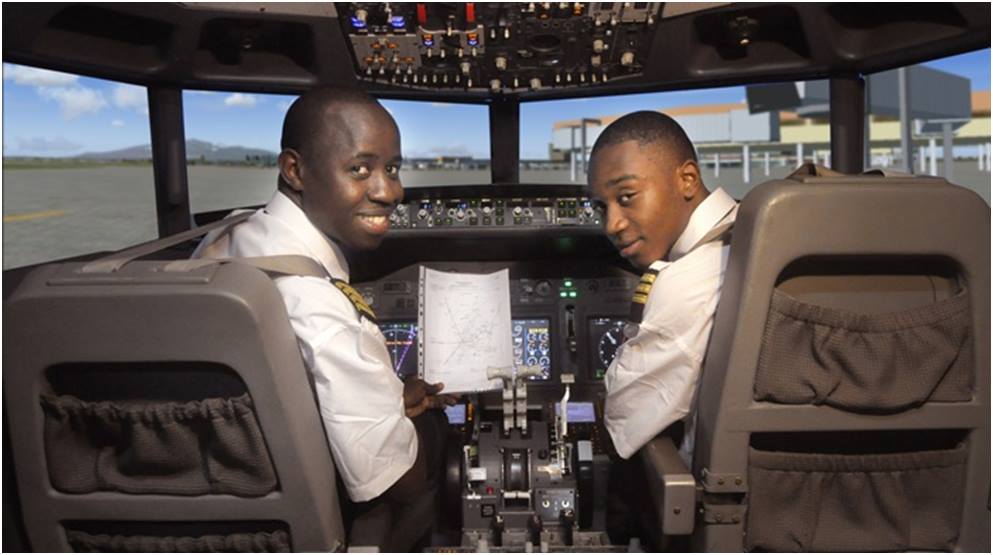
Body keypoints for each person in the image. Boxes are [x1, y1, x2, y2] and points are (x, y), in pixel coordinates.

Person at [193, 87, 452, 549]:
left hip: (217, 502)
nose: (390, 192)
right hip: (303, 522)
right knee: (433, 451)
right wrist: (404, 415)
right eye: (360, 169)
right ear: (295, 170)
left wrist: (388, 399)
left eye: (392, 169)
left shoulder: (231, 233)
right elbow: (398, 480)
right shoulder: (317, 300)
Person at [587, 110, 738, 546]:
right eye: (602, 207)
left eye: (627, 196)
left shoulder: (687, 278)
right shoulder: (761, 237)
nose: (611, 224)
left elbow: (624, 417)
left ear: (687, 179)